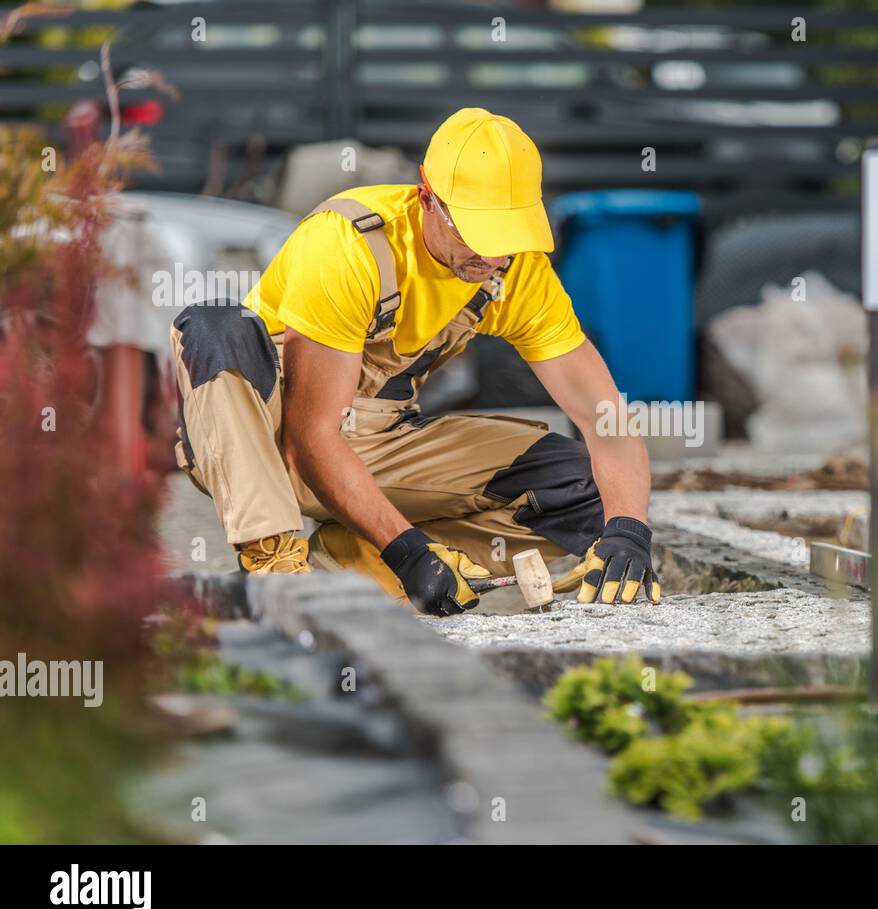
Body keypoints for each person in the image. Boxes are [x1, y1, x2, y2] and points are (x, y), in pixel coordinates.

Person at [169, 108, 660, 615]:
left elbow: (607, 421)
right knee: (212, 324)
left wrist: (629, 530)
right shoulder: (347, 244)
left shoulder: (517, 273)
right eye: (478, 235)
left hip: (377, 442)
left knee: (585, 492)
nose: (493, 259)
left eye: (507, 237)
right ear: (428, 196)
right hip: (266, 441)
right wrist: (409, 549)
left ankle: (349, 567)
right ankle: (273, 570)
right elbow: (308, 438)